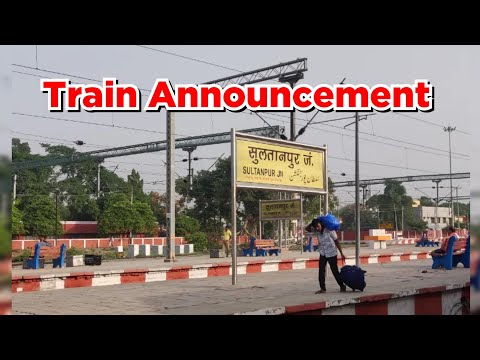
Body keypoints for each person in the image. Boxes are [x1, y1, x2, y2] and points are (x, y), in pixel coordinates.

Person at [307, 218, 347, 293]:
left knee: (334, 271)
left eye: (318, 226)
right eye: (315, 227)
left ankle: (342, 285)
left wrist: (341, 253)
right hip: (323, 253)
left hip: (332, 253)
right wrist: (313, 222)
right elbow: (307, 229)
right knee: (321, 270)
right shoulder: (317, 231)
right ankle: (323, 288)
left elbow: (336, 241)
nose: (317, 228)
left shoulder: (330, 230)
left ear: (321, 224)